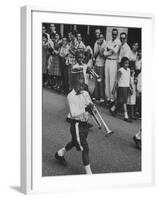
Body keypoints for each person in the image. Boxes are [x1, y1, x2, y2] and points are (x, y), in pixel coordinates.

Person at [55, 68, 94, 174]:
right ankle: (89, 173)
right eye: (79, 84)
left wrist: (91, 108)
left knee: (75, 142)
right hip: (76, 125)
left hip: (84, 124)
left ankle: (60, 153)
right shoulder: (70, 96)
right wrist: (85, 109)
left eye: (82, 83)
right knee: (85, 147)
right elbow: (73, 114)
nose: (81, 86)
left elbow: (90, 104)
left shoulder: (85, 93)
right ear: (73, 83)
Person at [110, 57, 132, 122]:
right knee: (124, 101)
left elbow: (129, 79)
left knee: (121, 101)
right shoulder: (120, 70)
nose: (127, 65)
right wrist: (114, 89)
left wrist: (131, 88)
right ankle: (126, 116)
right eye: (125, 63)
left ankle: (112, 108)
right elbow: (116, 80)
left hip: (126, 87)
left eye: (128, 63)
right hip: (121, 87)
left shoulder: (129, 70)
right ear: (122, 64)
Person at [104, 28, 121, 106]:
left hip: (114, 61)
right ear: (111, 34)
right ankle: (108, 98)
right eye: (113, 34)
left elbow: (115, 51)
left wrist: (109, 48)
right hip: (107, 60)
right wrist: (110, 50)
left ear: (117, 34)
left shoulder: (118, 42)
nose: (114, 35)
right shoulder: (109, 42)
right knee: (107, 79)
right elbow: (104, 53)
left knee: (112, 79)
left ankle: (112, 98)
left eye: (115, 34)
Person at [93, 33, 106, 103]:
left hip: (102, 64)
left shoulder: (105, 44)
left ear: (103, 38)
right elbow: (95, 54)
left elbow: (101, 54)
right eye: (99, 38)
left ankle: (102, 97)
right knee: (96, 81)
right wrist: (98, 46)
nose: (100, 39)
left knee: (101, 81)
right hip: (96, 63)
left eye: (102, 37)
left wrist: (99, 46)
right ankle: (96, 96)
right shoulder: (96, 43)